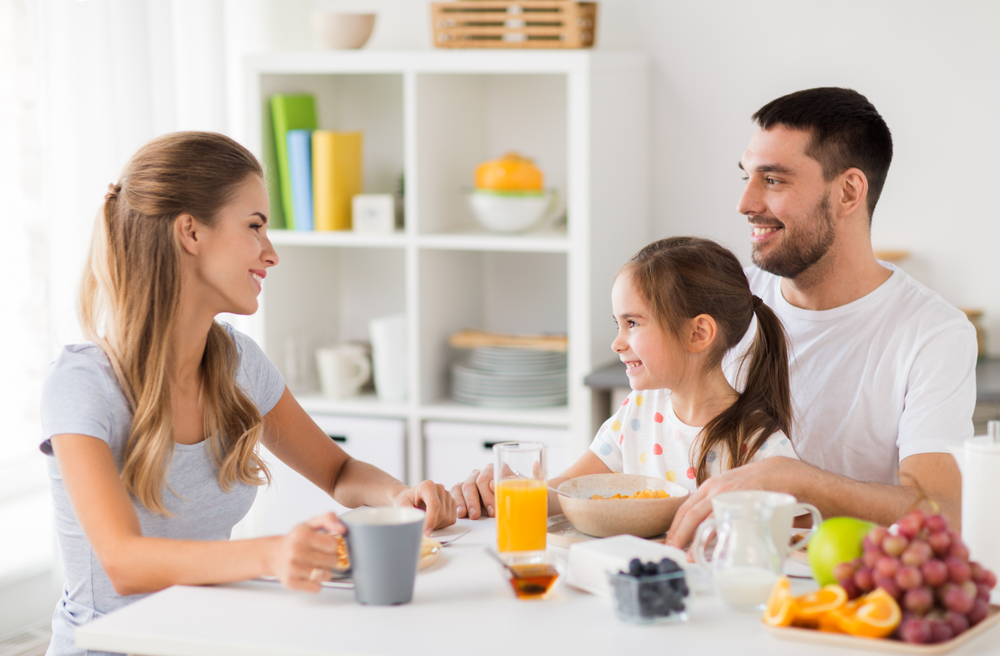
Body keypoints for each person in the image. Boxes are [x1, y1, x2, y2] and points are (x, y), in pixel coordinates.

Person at [40, 132, 456, 656]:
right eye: (255, 226)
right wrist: (273, 554)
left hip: (211, 639)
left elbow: (338, 472)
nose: (271, 253)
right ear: (190, 232)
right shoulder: (83, 384)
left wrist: (397, 499)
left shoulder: (235, 364)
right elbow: (125, 563)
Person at [665, 87, 975, 547]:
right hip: (714, 574)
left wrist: (799, 481)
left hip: (842, 595)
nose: (745, 203)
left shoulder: (932, 334)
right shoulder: (727, 298)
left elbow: (941, 514)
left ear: (849, 192)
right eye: (747, 176)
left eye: (772, 180)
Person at [453, 237, 800, 517]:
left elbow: (792, 539)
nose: (617, 343)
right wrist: (515, 488)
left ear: (698, 333)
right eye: (617, 324)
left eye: (632, 324)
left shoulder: (759, 445)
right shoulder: (638, 412)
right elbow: (566, 493)